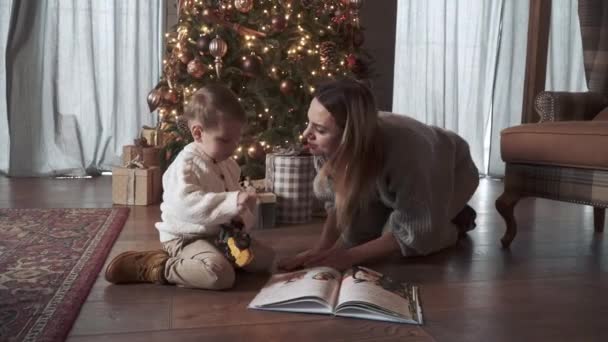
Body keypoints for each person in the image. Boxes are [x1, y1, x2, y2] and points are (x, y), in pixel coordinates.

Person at [279, 79, 479, 272]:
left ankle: (457, 221)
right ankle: (400, 207)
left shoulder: (406, 154)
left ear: (350, 136)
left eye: (320, 129)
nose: (306, 134)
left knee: (419, 238)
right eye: (309, 123)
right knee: (358, 236)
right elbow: (338, 203)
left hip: (448, 169)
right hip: (385, 176)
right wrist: (320, 250)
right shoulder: (325, 147)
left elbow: (414, 229)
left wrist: (348, 257)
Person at [105, 84, 275, 289]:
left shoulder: (227, 163)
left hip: (219, 235)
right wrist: (232, 202)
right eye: (225, 140)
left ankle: (213, 259)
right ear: (198, 133)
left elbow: (231, 207)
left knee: (266, 259)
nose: (233, 147)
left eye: (237, 140)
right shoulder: (186, 164)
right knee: (220, 276)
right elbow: (187, 205)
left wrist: (242, 215)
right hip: (186, 238)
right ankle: (159, 266)